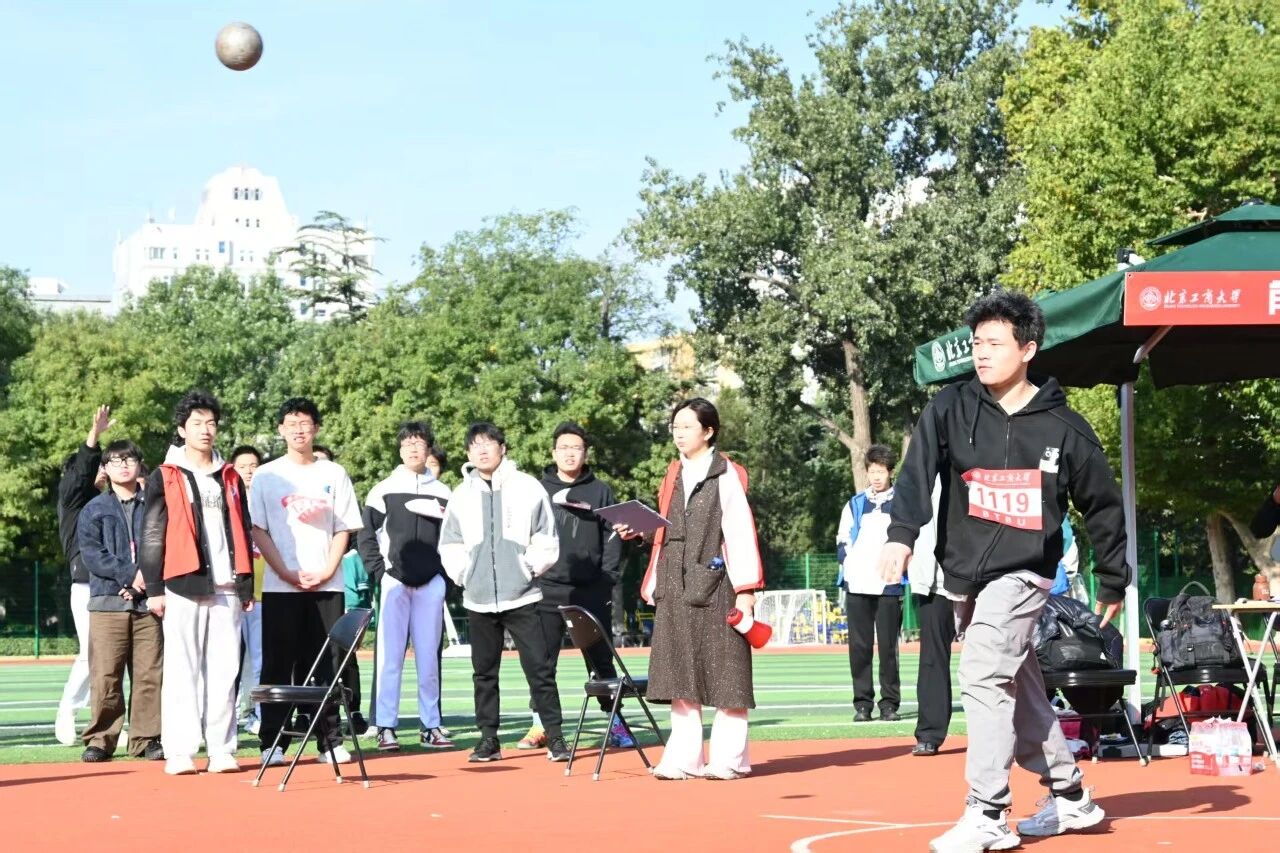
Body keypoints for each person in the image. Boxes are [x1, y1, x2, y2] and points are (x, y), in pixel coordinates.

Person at [878, 290, 1128, 851]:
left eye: (994, 343)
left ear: (1028, 349)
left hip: (1026, 570)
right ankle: (1070, 795)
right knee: (1018, 685)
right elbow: (916, 475)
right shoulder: (950, 407)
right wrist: (901, 535)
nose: (982, 353)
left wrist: (1114, 576)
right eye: (977, 343)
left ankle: (987, 811)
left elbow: (1103, 505)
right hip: (966, 575)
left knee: (984, 672)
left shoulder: (1064, 427)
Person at [621, 397, 764, 781]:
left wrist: (746, 590)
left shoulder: (726, 473)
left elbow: (739, 531)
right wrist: (640, 530)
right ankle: (683, 759)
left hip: (718, 586)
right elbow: (667, 529)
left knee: (727, 674)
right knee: (679, 676)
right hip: (673, 585)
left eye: (687, 426)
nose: (679, 434)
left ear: (708, 431)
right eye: (676, 427)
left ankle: (729, 760)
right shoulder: (673, 473)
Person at [439, 422, 569, 763]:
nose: (482, 450)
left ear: (503, 448)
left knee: (540, 670)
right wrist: (465, 575)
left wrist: (526, 569)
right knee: (484, 673)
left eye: (488, 443)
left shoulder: (528, 487)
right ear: (468, 453)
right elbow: (449, 543)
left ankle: (555, 737)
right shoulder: (460, 495)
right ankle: (488, 740)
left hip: (523, 596)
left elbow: (546, 536)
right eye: (475, 445)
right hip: (479, 598)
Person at [140, 392, 255, 775]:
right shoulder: (165, 475)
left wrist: (246, 584)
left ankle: (222, 749)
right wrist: (154, 587)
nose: (206, 430)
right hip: (183, 582)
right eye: (197, 423)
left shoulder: (230, 475)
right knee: (182, 669)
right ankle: (180, 750)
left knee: (225, 671)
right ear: (181, 429)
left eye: (211, 423)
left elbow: (243, 529)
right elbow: (152, 532)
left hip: (227, 586)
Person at [249, 398, 363, 767]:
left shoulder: (334, 473)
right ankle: (273, 741)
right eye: (291, 423)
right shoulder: (267, 475)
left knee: (327, 662)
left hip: (327, 585)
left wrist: (328, 570)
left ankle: (329, 741)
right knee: (278, 662)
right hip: (281, 586)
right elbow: (259, 529)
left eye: (305, 423)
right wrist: (285, 572)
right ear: (280, 430)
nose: (299, 430)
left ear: (316, 428)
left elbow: (344, 527)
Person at [518, 421, 631, 751]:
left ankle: (616, 723)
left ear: (586, 453)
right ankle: (540, 725)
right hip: (545, 589)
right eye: (564, 448)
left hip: (591, 591)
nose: (570, 454)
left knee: (601, 661)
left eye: (576, 448)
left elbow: (613, 537)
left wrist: (607, 579)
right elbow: (523, 535)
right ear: (553, 452)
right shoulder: (536, 490)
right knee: (542, 662)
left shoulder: (601, 491)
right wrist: (530, 574)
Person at [357, 420, 454, 752]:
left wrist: (444, 577)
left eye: (419, 443)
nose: (413, 448)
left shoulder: (444, 492)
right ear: (400, 450)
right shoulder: (383, 489)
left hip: (431, 585)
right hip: (394, 584)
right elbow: (366, 536)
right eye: (407, 443)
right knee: (389, 658)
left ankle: (432, 726)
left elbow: (455, 539)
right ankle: (386, 726)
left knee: (429, 659)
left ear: (429, 449)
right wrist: (380, 572)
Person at [77, 439, 163, 763]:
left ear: (140, 465)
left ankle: (147, 738)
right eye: (115, 460)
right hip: (107, 603)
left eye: (129, 459)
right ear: (105, 468)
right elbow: (92, 554)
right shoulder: (93, 508)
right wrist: (130, 576)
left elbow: (164, 546)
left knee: (149, 674)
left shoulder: (156, 505)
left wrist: (143, 583)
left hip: (148, 603)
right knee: (105, 675)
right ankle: (101, 739)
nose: (123, 465)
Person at [53, 405, 111, 746]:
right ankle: (68, 710)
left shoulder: (107, 501)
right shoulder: (72, 500)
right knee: (91, 653)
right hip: (87, 585)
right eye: (95, 466)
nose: (101, 470)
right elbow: (80, 476)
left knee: (114, 658)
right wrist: (94, 436)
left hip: (115, 586)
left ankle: (108, 722)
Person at [836, 444, 904, 724]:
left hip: (889, 584)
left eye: (881, 471)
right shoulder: (855, 504)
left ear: (890, 472)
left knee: (888, 648)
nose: (876, 477)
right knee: (859, 647)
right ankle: (862, 704)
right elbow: (842, 540)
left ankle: (889, 704)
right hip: (857, 584)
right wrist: (850, 566)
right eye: (872, 471)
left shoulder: (902, 502)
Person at [905, 478, 958, 757]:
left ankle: (1016, 731)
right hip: (933, 582)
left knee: (1000, 656)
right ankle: (929, 733)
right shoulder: (921, 474)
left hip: (983, 578)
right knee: (932, 658)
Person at [230, 445, 265, 736]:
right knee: (228, 658)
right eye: (242, 466)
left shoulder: (267, 501)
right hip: (231, 592)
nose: (249, 471)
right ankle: (226, 717)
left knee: (260, 658)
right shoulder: (227, 501)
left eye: (254, 465)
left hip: (263, 592)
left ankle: (260, 713)